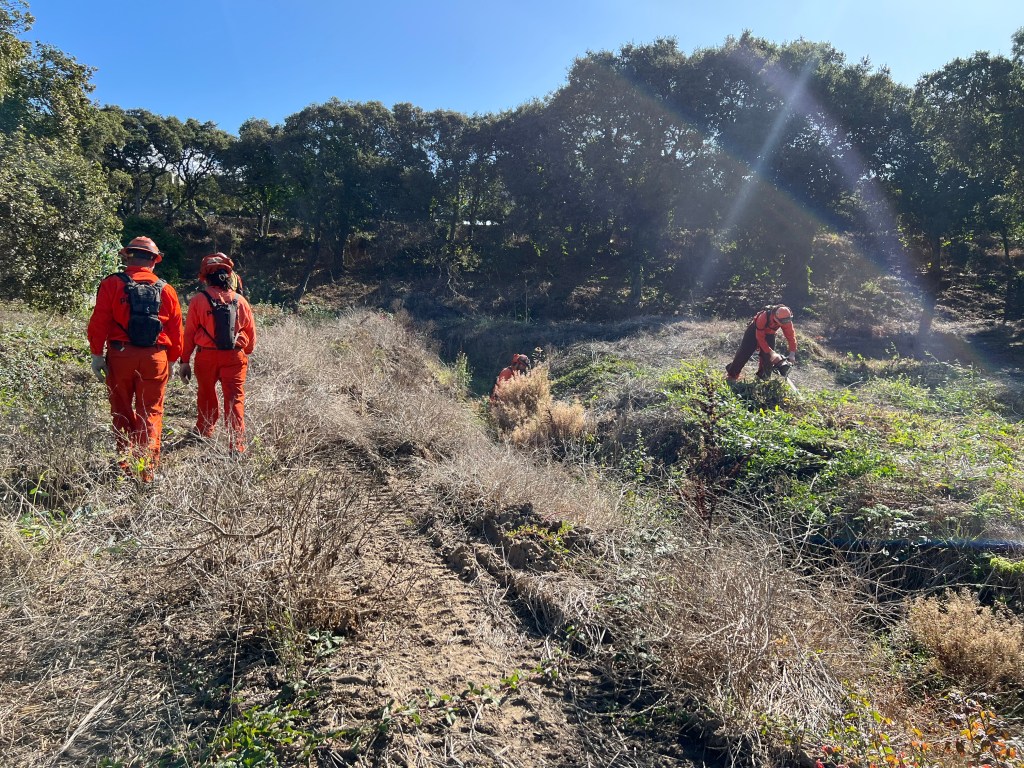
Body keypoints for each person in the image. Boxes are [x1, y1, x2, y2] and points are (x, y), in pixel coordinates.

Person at [87, 236, 183, 482]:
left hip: (121, 355)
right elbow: (176, 331)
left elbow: (99, 321)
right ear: (154, 261)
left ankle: (125, 466)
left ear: (127, 257)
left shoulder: (111, 284)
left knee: (121, 409)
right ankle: (145, 473)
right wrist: (172, 360)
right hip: (155, 357)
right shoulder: (167, 290)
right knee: (150, 412)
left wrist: (96, 355)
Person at [177, 253, 256, 453]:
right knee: (234, 399)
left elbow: (189, 334)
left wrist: (184, 361)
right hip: (234, 356)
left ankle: (204, 431)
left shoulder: (198, 300)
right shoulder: (241, 301)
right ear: (229, 276)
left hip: (206, 357)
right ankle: (236, 446)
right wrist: (243, 351)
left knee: (206, 395)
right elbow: (251, 337)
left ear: (205, 277)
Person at [725, 304, 797, 382]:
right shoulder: (763, 317)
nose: (784, 324)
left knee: (768, 359)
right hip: (754, 331)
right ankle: (732, 375)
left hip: (770, 334)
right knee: (744, 353)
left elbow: (791, 336)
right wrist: (771, 353)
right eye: (782, 322)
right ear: (775, 317)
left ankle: (762, 378)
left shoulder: (786, 320)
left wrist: (792, 353)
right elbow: (760, 338)